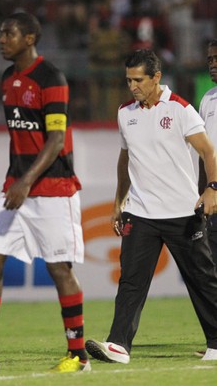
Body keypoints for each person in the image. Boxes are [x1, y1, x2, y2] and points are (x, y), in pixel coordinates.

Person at [0, 12, 90, 376]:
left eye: (8, 33)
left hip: (52, 188)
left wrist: (25, 182)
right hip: (17, 185)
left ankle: (78, 355)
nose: (0, 39)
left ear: (29, 38)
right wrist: (18, 181)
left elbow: (56, 140)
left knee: (59, 269)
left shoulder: (51, 78)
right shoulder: (8, 78)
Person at [85, 49, 217, 364]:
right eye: (129, 80)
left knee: (202, 279)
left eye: (138, 80)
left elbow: (208, 152)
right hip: (141, 213)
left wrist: (212, 188)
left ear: (156, 77)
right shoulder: (124, 113)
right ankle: (118, 345)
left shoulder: (181, 108)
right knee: (130, 279)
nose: (132, 86)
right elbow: (125, 158)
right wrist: (119, 201)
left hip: (183, 213)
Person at [198, 39, 217, 264]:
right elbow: (204, 152)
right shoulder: (207, 99)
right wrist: (202, 192)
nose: (212, 64)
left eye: (216, 59)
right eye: (210, 59)